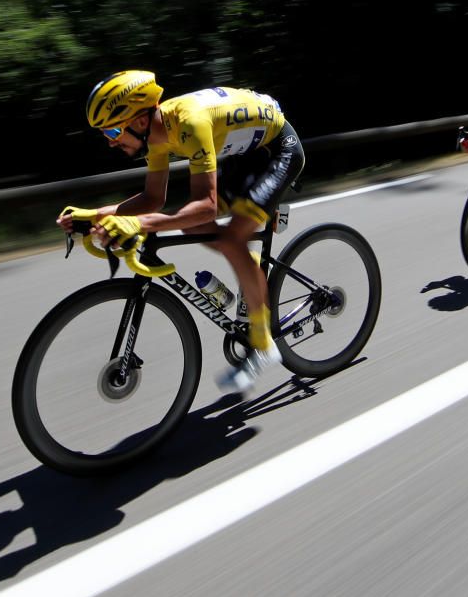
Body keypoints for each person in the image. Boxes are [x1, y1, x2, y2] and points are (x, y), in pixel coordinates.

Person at [57, 70, 305, 391]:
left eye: (115, 129)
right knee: (196, 227)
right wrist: (95, 216)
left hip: (277, 150)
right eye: (105, 133)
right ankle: (249, 265)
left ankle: (263, 344)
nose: (111, 140)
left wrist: (138, 224)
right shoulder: (158, 137)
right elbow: (152, 199)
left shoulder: (190, 123)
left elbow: (203, 203)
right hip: (242, 152)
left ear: (141, 121)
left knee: (230, 238)